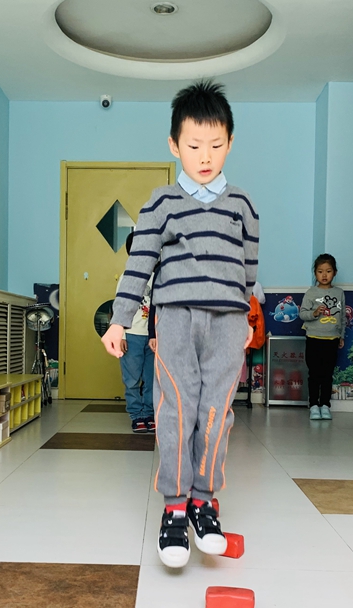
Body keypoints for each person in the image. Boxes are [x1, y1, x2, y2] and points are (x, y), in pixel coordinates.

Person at [100, 80, 259, 569]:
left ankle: (203, 501)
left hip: (228, 322)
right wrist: (119, 320)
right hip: (174, 319)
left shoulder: (242, 206)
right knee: (176, 410)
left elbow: (248, 269)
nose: (204, 156)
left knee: (216, 413)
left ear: (230, 142)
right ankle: (174, 506)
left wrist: (245, 315)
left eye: (215, 144)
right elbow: (139, 266)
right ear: (174, 145)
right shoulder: (161, 204)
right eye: (193, 146)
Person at [118, 232, 156, 434]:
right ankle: (136, 415)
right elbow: (120, 307)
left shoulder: (158, 276)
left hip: (153, 336)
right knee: (131, 379)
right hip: (131, 334)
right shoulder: (127, 276)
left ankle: (149, 413)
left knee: (152, 379)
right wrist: (121, 335)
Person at [299, 254, 346, 421]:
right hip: (313, 338)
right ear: (315, 273)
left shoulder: (339, 293)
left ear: (335, 272)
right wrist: (314, 313)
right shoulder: (311, 292)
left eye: (328, 271)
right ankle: (313, 405)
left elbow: (342, 318)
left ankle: (325, 405)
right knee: (314, 374)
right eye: (320, 271)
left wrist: (341, 336)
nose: (324, 275)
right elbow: (302, 314)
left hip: (332, 340)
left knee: (327, 374)